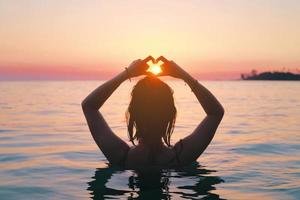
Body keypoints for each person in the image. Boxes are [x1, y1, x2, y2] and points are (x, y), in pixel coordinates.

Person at [82, 56, 224, 169]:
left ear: (132, 113)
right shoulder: (181, 157)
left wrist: (127, 74)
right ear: (171, 115)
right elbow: (215, 113)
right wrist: (182, 75)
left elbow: (89, 106)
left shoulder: (120, 156)